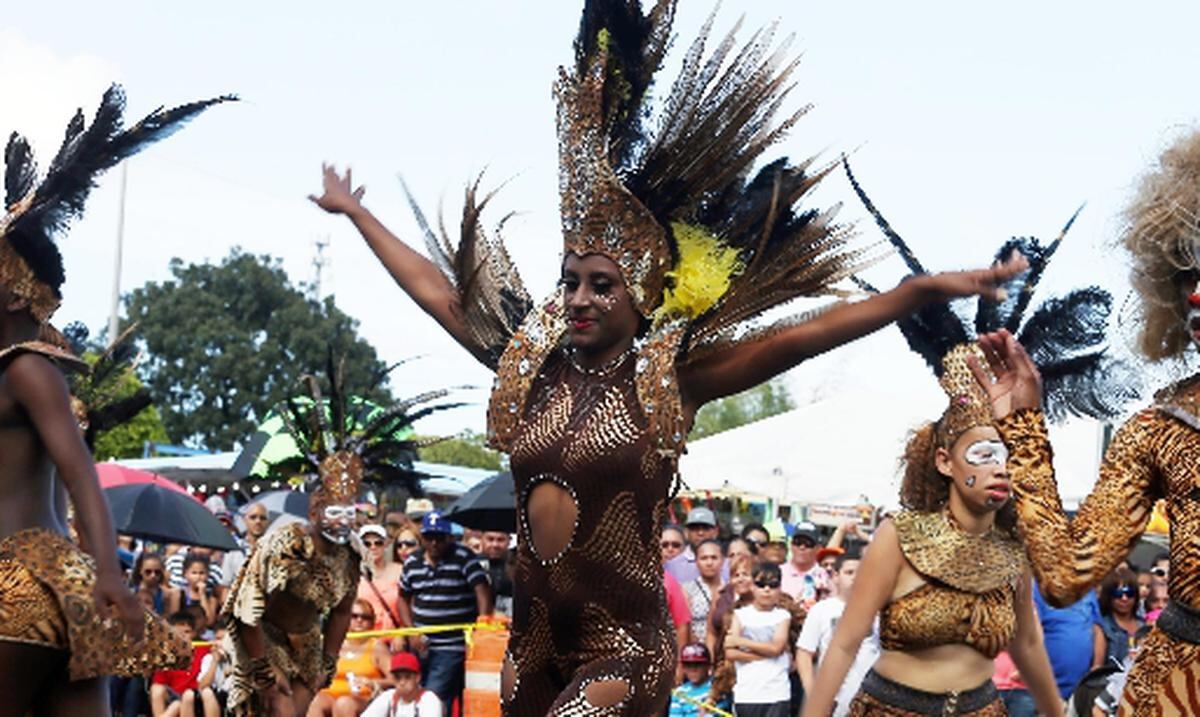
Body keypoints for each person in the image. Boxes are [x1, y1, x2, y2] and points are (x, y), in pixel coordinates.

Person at [311, 2, 1029, 710]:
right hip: (531, 645)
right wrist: (359, 214)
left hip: (624, 647)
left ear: (641, 294)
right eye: (570, 281)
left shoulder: (670, 376)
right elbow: (440, 294)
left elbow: (794, 338)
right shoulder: (530, 362)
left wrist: (916, 292)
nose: (580, 298)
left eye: (602, 285)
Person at [0, 86, 226, 715]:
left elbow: (81, 477)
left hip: (14, 583)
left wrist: (110, 573)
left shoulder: (25, 369)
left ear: (20, 295)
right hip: (62, 586)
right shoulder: (28, 369)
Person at [965, 130, 1200, 714]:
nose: (1196, 297)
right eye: (1187, 276)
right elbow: (1067, 575)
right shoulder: (1159, 429)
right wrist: (1022, 427)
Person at [801, 345, 1061, 717]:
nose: (1000, 469)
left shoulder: (1013, 550)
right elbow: (845, 642)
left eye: (1007, 457)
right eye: (984, 455)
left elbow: (1029, 644)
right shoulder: (899, 535)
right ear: (944, 462)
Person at [397, 511, 492, 713]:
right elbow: (403, 598)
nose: (434, 543)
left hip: (452, 645)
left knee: (435, 695)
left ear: (449, 537)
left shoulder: (464, 557)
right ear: (422, 538)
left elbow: (482, 590)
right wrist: (409, 630)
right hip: (420, 643)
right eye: (429, 537)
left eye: (439, 538)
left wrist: (482, 627)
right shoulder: (412, 563)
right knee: (418, 694)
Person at [795, 550, 877, 717]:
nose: (855, 577)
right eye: (849, 572)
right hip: (832, 701)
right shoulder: (821, 610)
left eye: (861, 572)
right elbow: (804, 654)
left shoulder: (878, 610)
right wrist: (814, 697)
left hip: (870, 700)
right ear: (835, 576)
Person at [725, 562, 792, 717]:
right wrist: (763, 654)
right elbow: (730, 653)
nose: (767, 589)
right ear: (753, 587)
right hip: (746, 693)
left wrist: (741, 642)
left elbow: (776, 648)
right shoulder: (740, 615)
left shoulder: (783, 615)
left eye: (773, 585)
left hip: (777, 692)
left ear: (780, 588)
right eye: (761, 584)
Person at [308, 598, 390, 717]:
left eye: (365, 617)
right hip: (330, 696)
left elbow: (396, 679)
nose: (359, 620)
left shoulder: (377, 647)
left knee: (344, 704)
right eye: (354, 616)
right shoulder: (334, 643)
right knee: (315, 701)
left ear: (372, 621)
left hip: (362, 700)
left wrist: (372, 682)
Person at [150, 612, 221, 717]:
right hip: (175, 695)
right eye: (177, 632)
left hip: (196, 694)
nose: (182, 635)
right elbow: (160, 681)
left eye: (187, 632)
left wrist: (218, 647)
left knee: (188, 696)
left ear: (193, 634)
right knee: (157, 689)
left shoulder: (205, 648)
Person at [360, 651, 443, 717]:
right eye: (398, 677)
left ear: (418, 678)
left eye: (407, 677)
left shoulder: (429, 700)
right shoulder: (388, 697)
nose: (402, 682)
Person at [1097, 568, 1148, 670]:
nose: (1124, 599)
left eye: (1129, 593)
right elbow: (1097, 667)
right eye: (1118, 594)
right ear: (1109, 596)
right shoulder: (1101, 627)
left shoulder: (1145, 625)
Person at [357, 524, 405, 631]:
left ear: (385, 545)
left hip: (396, 638)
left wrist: (401, 633)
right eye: (367, 544)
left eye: (378, 543)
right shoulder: (352, 574)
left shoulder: (400, 571)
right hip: (365, 639)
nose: (373, 547)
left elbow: (410, 605)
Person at [666, 506, 725, 584]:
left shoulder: (727, 564)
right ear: (686, 532)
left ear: (715, 532)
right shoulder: (672, 566)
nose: (700, 533)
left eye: (705, 528)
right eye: (695, 528)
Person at [683, 539, 725, 644]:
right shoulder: (686, 589)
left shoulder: (730, 589)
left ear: (723, 560)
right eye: (704, 558)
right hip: (695, 650)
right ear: (696, 561)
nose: (709, 563)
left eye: (714, 558)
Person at [781, 522, 830, 609]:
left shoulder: (826, 577)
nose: (802, 547)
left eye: (808, 544)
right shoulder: (778, 572)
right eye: (797, 542)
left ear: (818, 548)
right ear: (791, 545)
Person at [668, 643, 724, 717]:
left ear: (708, 666)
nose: (693, 669)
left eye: (698, 664)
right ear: (683, 667)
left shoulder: (718, 686)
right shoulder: (679, 693)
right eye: (688, 665)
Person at [167, 552, 219, 628]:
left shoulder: (211, 599)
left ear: (207, 574)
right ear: (185, 574)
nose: (198, 576)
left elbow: (209, 621)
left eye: (202, 573)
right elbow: (173, 620)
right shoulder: (179, 594)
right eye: (194, 573)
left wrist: (202, 595)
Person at [480, 530, 515, 618]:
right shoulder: (472, 565)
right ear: (482, 539)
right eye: (490, 539)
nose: (495, 545)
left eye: (500, 540)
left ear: (509, 540)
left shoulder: (517, 563)